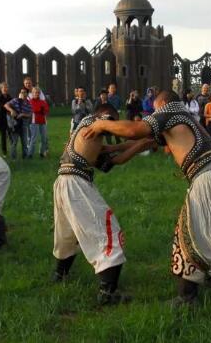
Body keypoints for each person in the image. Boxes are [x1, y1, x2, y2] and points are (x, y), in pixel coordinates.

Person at [82, 92, 211, 306]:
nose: (154, 113)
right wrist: (113, 149)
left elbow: (134, 130)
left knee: (188, 237)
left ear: (164, 104)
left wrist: (102, 125)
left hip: (206, 179)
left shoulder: (170, 111)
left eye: (155, 108)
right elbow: (145, 142)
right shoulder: (182, 117)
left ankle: (187, 298)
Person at [52, 103, 155, 305]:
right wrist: (141, 134)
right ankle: (107, 294)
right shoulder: (98, 121)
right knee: (108, 234)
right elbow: (128, 131)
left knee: (67, 234)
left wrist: (141, 145)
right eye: (114, 119)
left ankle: (59, 275)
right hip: (76, 184)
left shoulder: (86, 133)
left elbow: (111, 163)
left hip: (64, 181)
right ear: (108, 115)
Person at [4, 87, 32, 159]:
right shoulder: (15, 100)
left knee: (24, 142)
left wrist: (22, 114)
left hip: (24, 123)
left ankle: (25, 157)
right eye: (21, 92)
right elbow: (6, 105)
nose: (23, 94)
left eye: (24, 92)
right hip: (15, 124)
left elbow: (30, 114)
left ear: (27, 94)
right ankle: (13, 158)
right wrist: (11, 110)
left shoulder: (29, 103)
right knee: (14, 142)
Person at [28, 87, 49, 158]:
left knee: (43, 138)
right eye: (35, 92)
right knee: (33, 138)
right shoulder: (30, 101)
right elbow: (34, 109)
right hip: (34, 122)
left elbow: (46, 110)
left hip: (43, 121)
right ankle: (30, 154)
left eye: (38, 92)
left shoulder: (43, 101)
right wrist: (40, 109)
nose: (36, 94)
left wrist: (42, 110)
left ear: (39, 93)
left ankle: (41, 152)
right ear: (32, 93)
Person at [0, 82, 13, 157]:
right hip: (1, 119)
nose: (6, 89)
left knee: (11, 135)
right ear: (1, 89)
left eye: (7, 87)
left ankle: (13, 150)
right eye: (4, 88)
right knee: (3, 136)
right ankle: (4, 152)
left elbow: (12, 105)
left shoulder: (9, 97)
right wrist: (9, 109)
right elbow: (2, 106)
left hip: (9, 118)